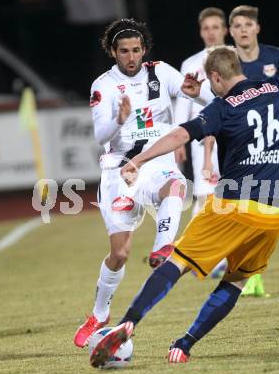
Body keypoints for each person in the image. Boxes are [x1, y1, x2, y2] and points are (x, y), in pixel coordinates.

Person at [89, 45, 279, 367]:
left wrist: (139, 158)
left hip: (233, 207)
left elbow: (180, 135)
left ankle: (128, 323)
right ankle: (185, 344)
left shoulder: (224, 106)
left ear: (216, 77)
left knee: (176, 262)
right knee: (237, 281)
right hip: (275, 214)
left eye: (211, 82)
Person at [73, 18, 209, 348]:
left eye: (136, 50)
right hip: (119, 170)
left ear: (144, 50)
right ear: (113, 52)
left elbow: (203, 97)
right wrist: (118, 120)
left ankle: (164, 246)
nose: (131, 57)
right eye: (124, 51)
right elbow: (99, 136)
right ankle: (99, 314)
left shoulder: (162, 72)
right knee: (119, 253)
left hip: (156, 163)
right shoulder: (103, 85)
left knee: (176, 187)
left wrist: (199, 95)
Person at [217, 4, 279, 296]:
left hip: (271, 147)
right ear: (230, 31)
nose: (242, 30)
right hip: (237, 147)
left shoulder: (278, 58)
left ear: (257, 28)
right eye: (237, 26)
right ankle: (243, 273)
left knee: (269, 213)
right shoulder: (225, 62)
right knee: (238, 213)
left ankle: (250, 270)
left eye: (247, 25)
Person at [174, 7, 228, 278]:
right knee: (205, 195)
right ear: (201, 32)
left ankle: (211, 254)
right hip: (201, 138)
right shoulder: (190, 64)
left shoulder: (235, 58)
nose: (211, 32)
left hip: (232, 136)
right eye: (206, 28)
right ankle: (198, 254)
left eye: (216, 27)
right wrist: (179, 142)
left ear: (224, 30)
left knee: (231, 196)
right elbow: (184, 104)